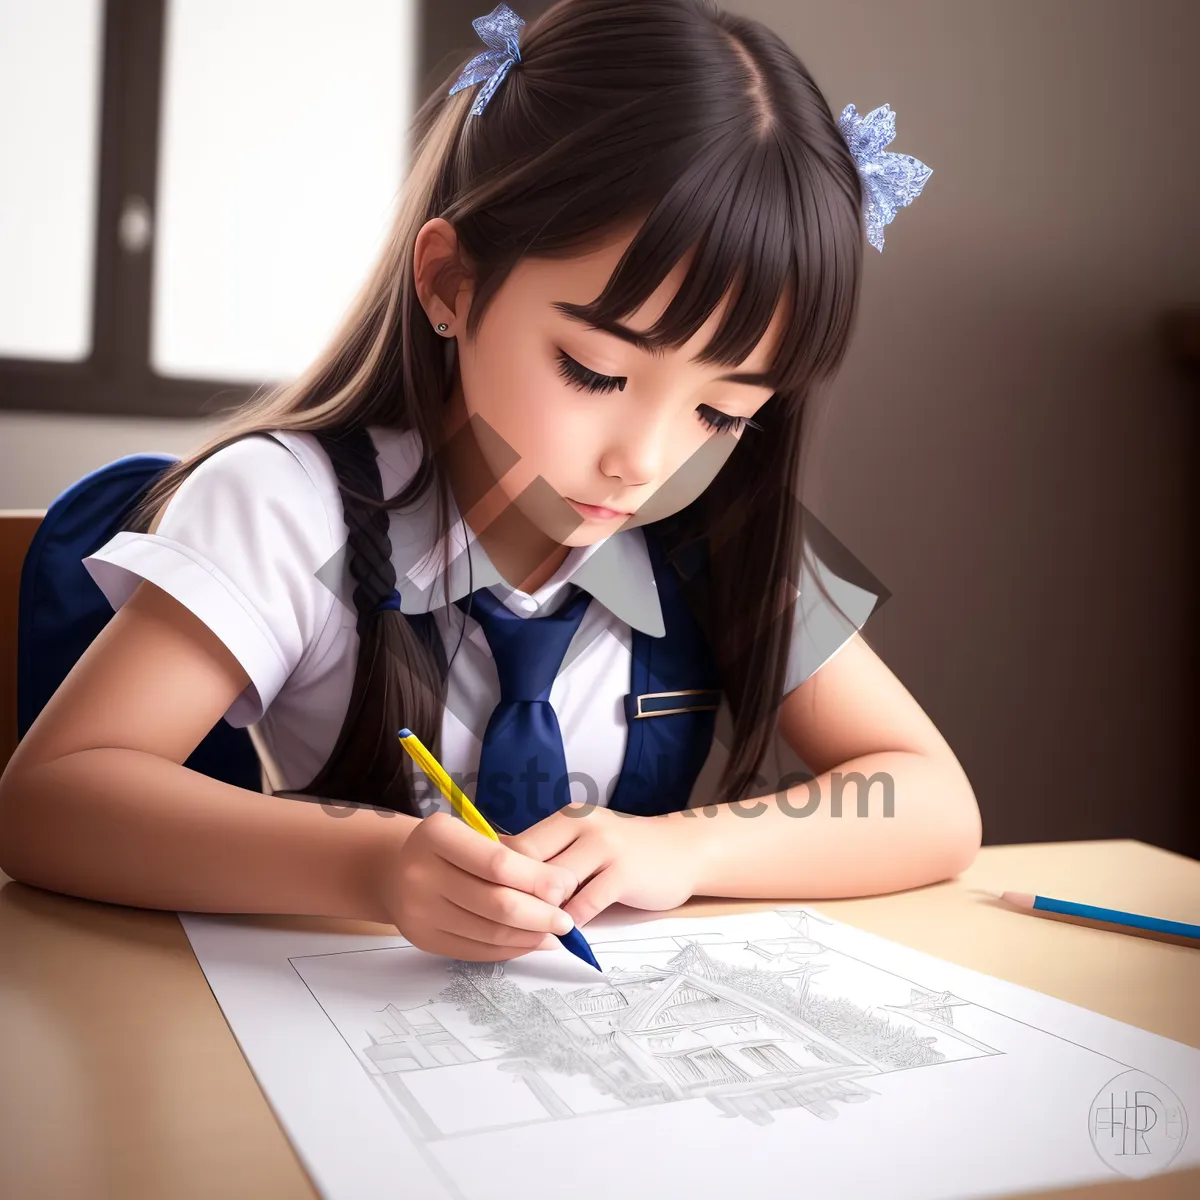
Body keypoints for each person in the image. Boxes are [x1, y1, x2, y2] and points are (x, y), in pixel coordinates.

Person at [0, 0, 979, 963]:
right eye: (597, 372)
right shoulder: (289, 506)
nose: (645, 462)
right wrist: (375, 869)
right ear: (450, 284)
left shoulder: (716, 530)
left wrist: (686, 846)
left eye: (722, 412)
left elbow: (933, 801)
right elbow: (54, 799)